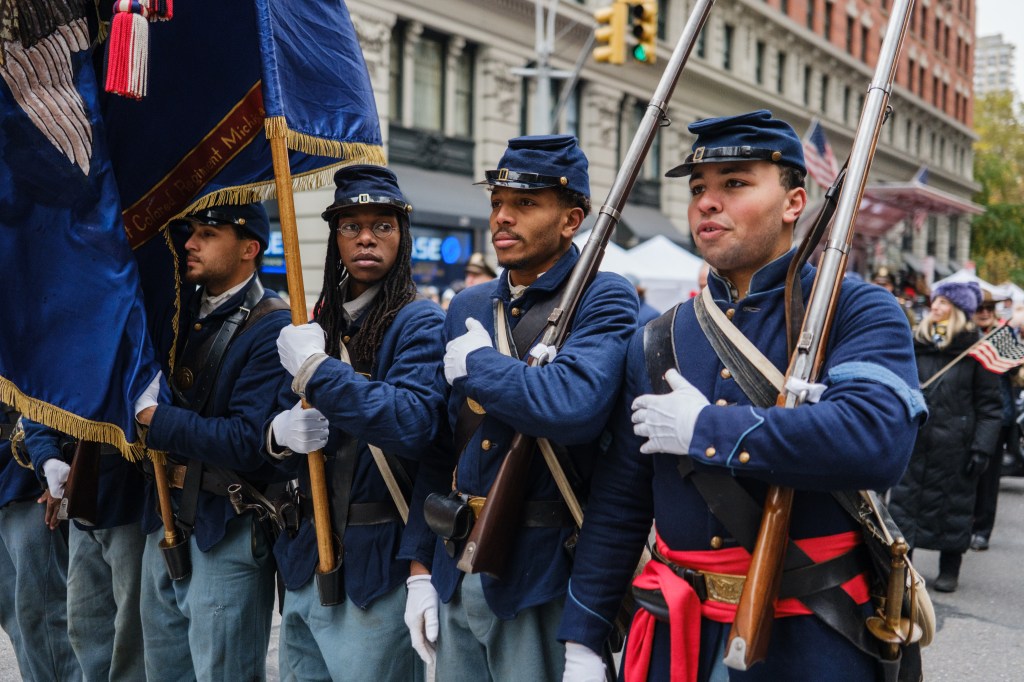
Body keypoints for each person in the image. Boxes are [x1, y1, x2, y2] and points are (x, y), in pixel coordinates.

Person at [558, 110, 927, 680]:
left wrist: (708, 431)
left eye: (735, 184)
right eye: (699, 188)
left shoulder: (856, 309)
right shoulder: (660, 336)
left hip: (810, 636)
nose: (707, 201)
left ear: (794, 202)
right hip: (674, 636)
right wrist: (582, 635)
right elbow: (622, 500)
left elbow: (877, 441)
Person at [402, 134, 639, 681]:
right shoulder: (469, 303)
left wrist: (482, 367)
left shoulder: (603, 296)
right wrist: (421, 568)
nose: (502, 217)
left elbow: (574, 404)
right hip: (456, 563)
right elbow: (443, 446)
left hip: (539, 572)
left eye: (525, 204)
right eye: (497, 203)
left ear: (571, 219)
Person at [267, 165, 446, 680]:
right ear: (336, 237)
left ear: (402, 236)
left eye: (382, 226)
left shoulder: (421, 320)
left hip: (378, 565)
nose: (366, 237)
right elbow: (269, 427)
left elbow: (411, 421)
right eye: (351, 226)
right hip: (305, 558)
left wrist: (317, 372)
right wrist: (278, 435)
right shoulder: (317, 319)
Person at [133, 203, 294, 680]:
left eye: (207, 233)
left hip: (227, 521)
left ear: (249, 249)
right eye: (191, 232)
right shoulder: (177, 315)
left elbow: (247, 441)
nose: (190, 243)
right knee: (165, 671)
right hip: (165, 513)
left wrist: (155, 420)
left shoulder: (272, 325)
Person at [890, 281, 1002, 592]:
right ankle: (903, 568)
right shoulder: (916, 343)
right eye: (935, 302)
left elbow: (990, 407)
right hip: (915, 441)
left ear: (957, 310)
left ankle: (949, 569)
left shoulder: (977, 351)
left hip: (956, 446)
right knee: (903, 506)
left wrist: (982, 447)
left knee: (955, 509)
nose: (935, 307)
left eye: (942, 303)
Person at [21, 420, 144, 682]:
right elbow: (39, 400)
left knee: (132, 636)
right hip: (80, 498)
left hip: (130, 495)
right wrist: (48, 459)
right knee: (83, 625)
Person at [0, 409, 81, 681]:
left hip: (26, 478)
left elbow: (51, 387)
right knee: (18, 625)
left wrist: (50, 459)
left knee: (44, 617)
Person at [969, 299, 1019, 551]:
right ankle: (965, 525)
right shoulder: (965, 334)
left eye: (989, 309)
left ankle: (982, 530)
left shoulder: (1003, 335)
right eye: (980, 309)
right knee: (966, 475)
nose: (985, 313)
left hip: (997, 417)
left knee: (989, 478)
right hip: (967, 416)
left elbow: (1015, 370)